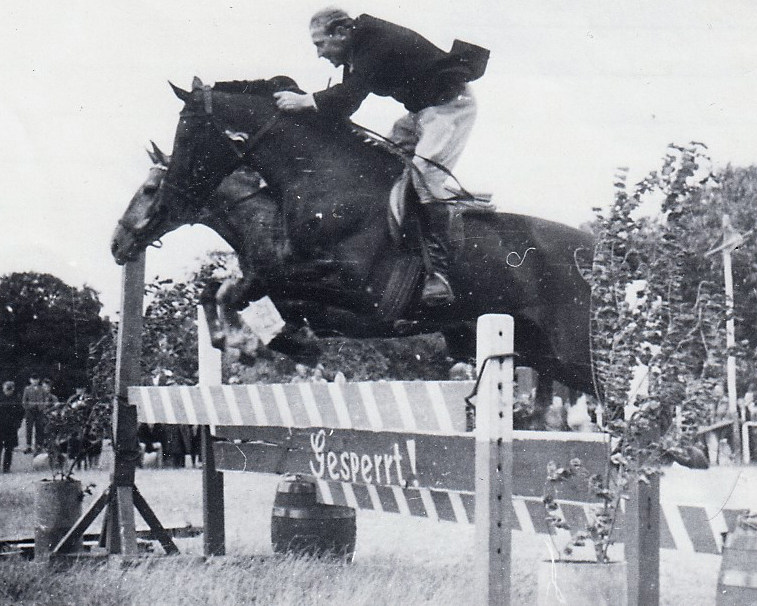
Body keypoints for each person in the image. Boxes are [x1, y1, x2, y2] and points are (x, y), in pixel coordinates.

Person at [274, 8, 489, 306]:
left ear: (341, 32)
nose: (320, 54)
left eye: (319, 44)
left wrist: (305, 101)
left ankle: (439, 274)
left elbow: (349, 96)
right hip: (421, 113)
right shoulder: (359, 44)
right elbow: (345, 107)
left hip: (451, 109)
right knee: (382, 160)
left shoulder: (374, 41)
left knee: (423, 177)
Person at [0, 381, 24, 472]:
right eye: (6, 389)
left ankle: (6, 468)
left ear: (13, 389)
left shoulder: (16, 400)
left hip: (11, 428)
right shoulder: (1, 399)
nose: (8, 391)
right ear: (3, 389)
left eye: (10, 389)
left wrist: (18, 424)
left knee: (8, 448)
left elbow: (21, 413)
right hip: (1, 427)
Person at [22, 375, 48, 453]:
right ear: (30, 380)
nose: (35, 381)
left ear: (39, 380)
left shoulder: (42, 389)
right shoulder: (27, 389)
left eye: (36, 379)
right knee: (29, 429)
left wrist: (42, 407)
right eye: (33, 379)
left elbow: (45, 399)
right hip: (30, 412)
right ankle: (28, 446)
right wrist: (28, 407)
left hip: (39, 411)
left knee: (39, 429)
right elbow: (24, 401)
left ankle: (38, 446)